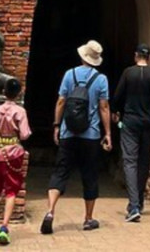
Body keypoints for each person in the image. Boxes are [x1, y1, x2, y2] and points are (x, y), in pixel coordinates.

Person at [40, 40, 113, 234]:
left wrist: (56, 126)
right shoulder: (101, 79)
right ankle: (88, 219)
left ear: (82, 56)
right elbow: (104, 107)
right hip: (90, 135)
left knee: (60, 172)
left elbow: (61, 101)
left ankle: (50, 211)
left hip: (68, 132)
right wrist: (107, 134)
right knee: (89, 174)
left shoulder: (69, 74)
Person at [113, 43, 150, 222]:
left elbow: (117, 96)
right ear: (149, 57)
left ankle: (134, 206)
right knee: (144, 162)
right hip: (148, 122)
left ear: (136, 55)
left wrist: (116, 112)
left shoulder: (128, 73)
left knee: (130, 161)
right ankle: (139, 202)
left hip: (129, 121)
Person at [0, 78, 32, 245]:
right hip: (14, 154)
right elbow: (25, 134)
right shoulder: (20, 111)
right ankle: (4, 227)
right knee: (11, 191)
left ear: (4, 91)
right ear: (19, 93)